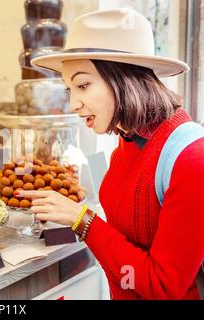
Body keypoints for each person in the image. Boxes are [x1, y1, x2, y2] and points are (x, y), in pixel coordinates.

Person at [15, 8, 204, 300]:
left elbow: (163, 286)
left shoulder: (192, 159)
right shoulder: (128, 140)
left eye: (83, 85)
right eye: (69, 89)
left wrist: (83, 220)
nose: (74, 104)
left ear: (123, 79)